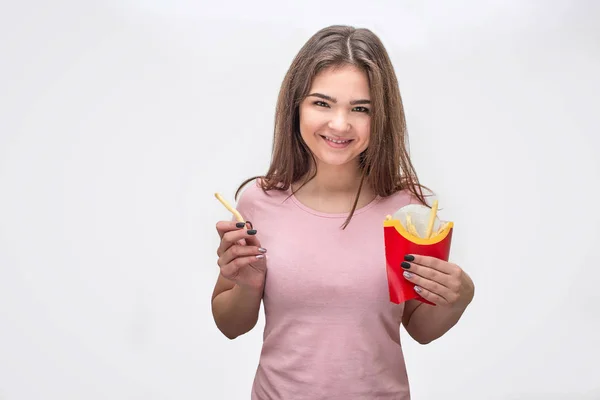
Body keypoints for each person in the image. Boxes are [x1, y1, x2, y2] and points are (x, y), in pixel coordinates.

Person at [211, 25, 475, 400]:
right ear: (296, 106)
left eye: (360, 109)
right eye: (322, 103)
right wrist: (246, 284)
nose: (340, 124)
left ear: (381, 115)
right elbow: (230, 324)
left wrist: (459, 297)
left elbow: (420, 327)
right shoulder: (257, 202)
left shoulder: (408, 211)